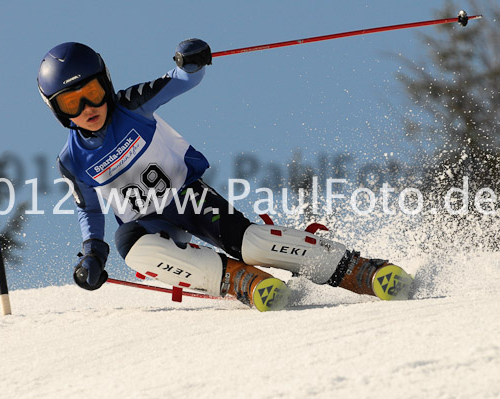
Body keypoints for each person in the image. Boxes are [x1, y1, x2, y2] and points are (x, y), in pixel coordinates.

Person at [37, 39, 412, 311]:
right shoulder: (71, 161)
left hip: (188, 197)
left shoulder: (130, 107)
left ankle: (357, 270)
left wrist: (191, 61)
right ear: (58, 111)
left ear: (106, 83)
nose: (89, 107)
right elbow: (89, 211)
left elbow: (181, 81)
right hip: (146, 221)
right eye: (73, 102)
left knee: (249, 243)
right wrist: (93, 253)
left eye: (93, 92)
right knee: (133, 250)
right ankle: (239, 281)